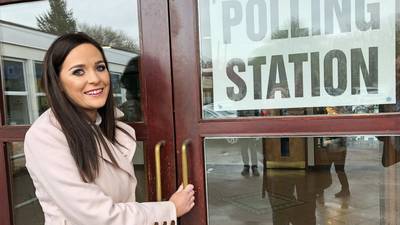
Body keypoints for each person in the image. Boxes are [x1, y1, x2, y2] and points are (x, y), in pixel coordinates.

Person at [24, 32, 195, 225]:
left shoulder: (105, 126)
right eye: (78, 71)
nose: (95, 78)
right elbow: (96, 216)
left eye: (100, 67)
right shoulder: (46, 136)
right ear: (58, 83)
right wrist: (169, 209)